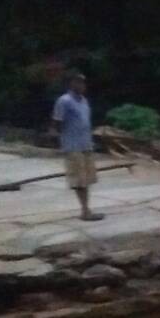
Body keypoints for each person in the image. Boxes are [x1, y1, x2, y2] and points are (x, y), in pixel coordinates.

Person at [50, 72, 104, 221]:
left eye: (82, 82)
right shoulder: (64, 101)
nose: (81, 85)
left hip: (86, 144)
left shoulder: (84, 101)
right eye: (77, 82)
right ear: (71, 84)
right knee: (79, 180)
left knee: (87, 179)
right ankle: (85, 210)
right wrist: (58, 139)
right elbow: (56, 122)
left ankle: (86, 209)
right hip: (73, 145)